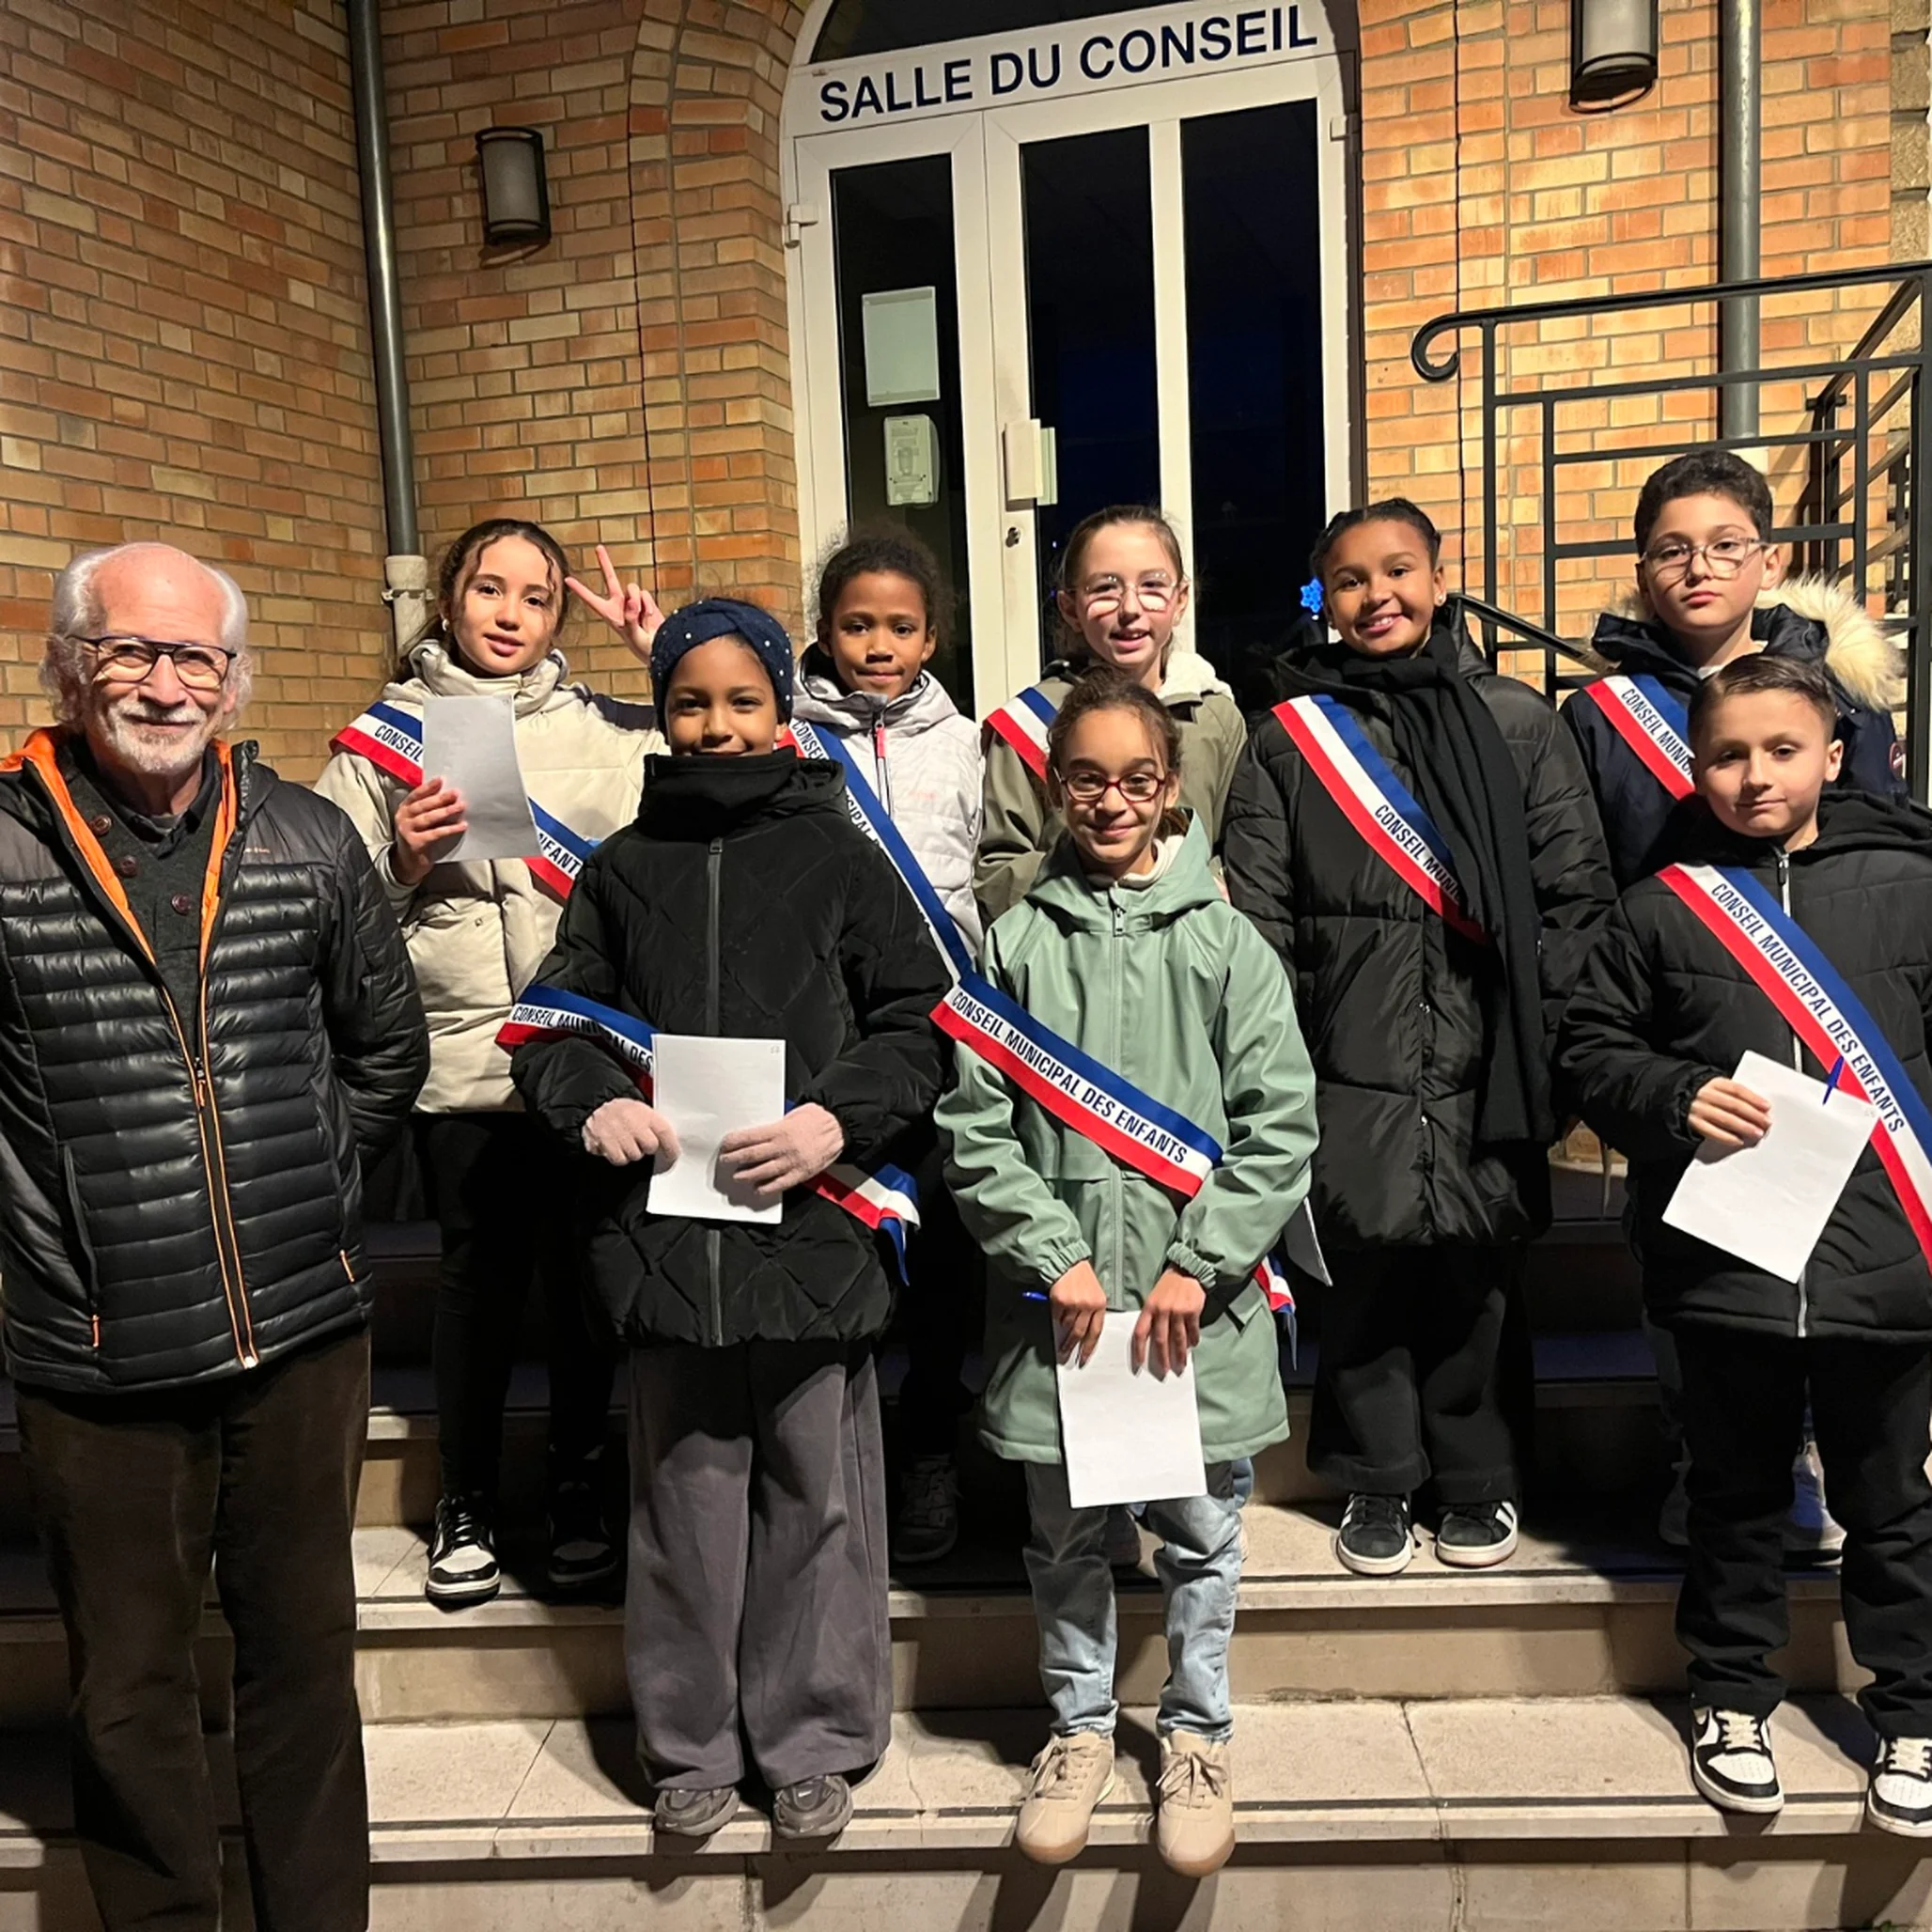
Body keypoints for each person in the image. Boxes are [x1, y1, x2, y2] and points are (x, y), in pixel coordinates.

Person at [1, 543, 428, 1930]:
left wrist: (303, 1188)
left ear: (234, 681)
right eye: (131, 650)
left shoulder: (308, 836)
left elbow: (386, 1049)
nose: (165, 684)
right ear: (70, 667)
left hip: (299, 1337)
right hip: (97, 1350)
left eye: (196, 656)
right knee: (126, 1689)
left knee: (303, 1664)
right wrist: (40, 1240)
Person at [507, 597, 948, 1843]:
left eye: (743, 700)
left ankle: (815, 1736)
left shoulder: (844, 858)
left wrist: (834, 1123)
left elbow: (921, 1023)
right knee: (684, 1512)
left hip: (813, 1233)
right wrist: (591, 1101)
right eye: (690, 702)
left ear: (781, 708)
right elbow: (553, 1024)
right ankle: (689, 1741)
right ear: (663, 713)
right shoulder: (621, 869)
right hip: (670, 1248)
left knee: (817, 1502)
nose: (717, 724)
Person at [938, 671, 1317, 1877]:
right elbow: (973, 1125)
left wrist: (1200, 1263)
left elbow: (1279, 1125)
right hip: (1064, 1314)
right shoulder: (1012, 944)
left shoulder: (1227, 943)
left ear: (1170, 789)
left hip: (1187, 1314)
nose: (1111, 800)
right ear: (1056, 787)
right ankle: (1080, 1728)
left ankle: (1197, 1736)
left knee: (1202, 1533)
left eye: (1136, 779)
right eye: (1087, 778)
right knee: (1062, 1536)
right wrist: (1049, 1252)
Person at [1556, 654, 1932, 1833]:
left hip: (1886, 1260)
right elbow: (1591, 1049)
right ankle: (1731, 1694)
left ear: (1835, 753)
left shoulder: (1911, 882)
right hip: (1726, 1263)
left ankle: (1913, 1710)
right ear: (1692, 765)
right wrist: (1673, 1095)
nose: (1754, 775)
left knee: (1892, 1504)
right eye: (1726, 754)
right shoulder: (1660, 905)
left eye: (1781, 749)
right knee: (1733, 1497)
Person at [1224, 500, 1614, 1577]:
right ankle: (1376, 1477)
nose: (1376, 595)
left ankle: (1480, 1476)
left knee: (1476, 1271)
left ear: (1440, 580)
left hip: (1491, 1048)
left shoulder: (1519, 721)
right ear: (1326, 599)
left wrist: (1550, 1034)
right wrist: (1284, 1060)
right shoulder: (1289, 741)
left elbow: (1575, 893)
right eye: (1349, 579)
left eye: (1397, 570)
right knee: (1363, 1270)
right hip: (1345, 1052)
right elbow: (1259, 921)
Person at [315, 522, 665, 1607]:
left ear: (559, 617)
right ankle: (463, 1500)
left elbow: (739, 767)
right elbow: (321, 915)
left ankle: (575, 1485)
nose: (510, 614)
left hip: (587, 1051)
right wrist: (402, 860)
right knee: (477, 1283)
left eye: (536, 596)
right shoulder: (382, 739)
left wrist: (666, 660)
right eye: (488, 589)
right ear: (449, 600)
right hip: (461, 1055)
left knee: (583, 1285)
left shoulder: (611, 730)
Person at [1562, 450, 1904, 1554]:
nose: (1697, 567)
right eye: (1671, 549)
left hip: (1825, 1004)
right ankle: (1696, 1449)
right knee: (1687, 1246)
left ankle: (1804, 1452)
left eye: (1723, 545)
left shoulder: (1840, 691)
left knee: (1823, 1243)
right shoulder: (1600, 713)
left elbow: (1874, 844)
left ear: (1766, 557)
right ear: (1642, 568)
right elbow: (1585, 872)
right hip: (1679, 1009)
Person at [793, 527, 984, 1563]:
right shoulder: (788, 737)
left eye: (900, 627)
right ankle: (841, 1465)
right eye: (857, 624)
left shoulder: (969, 744)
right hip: (834, 1043)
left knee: (944, 1257)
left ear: (931, 636)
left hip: (945, 1044)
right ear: (823, 631)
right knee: (846, 1253)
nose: (878, 645)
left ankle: (930, 1449)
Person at [974, 504, 1245, 926]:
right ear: (1070, 607)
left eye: (1152, 585)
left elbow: (1242, 852)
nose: (1130, 608)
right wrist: (1103, 890)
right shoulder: (1029, 724)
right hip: (1072, 950)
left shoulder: (1216, 719)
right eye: (1105, 588)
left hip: (1190, 948)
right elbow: (997, 870)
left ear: (1180, 600)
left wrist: (1203, 890)